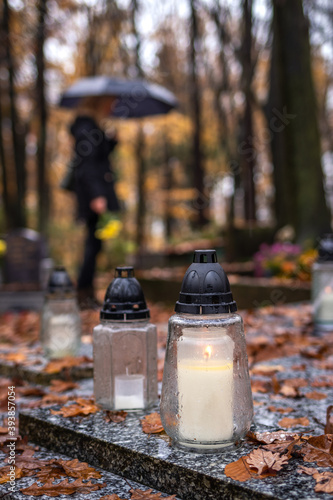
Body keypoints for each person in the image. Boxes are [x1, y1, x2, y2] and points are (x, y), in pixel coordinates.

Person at [70, 96, 120, 308]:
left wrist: (111, 141)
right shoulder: (86, 128)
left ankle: (86, 293)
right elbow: (88, 166)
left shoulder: (91, 129)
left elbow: (98, 157)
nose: (112, 107)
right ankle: (83, 294)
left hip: (95, 192)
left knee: (95, 244)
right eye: (109, 103)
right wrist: (97, 195)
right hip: (93, 194)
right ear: (97, 103)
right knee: (92, 244)